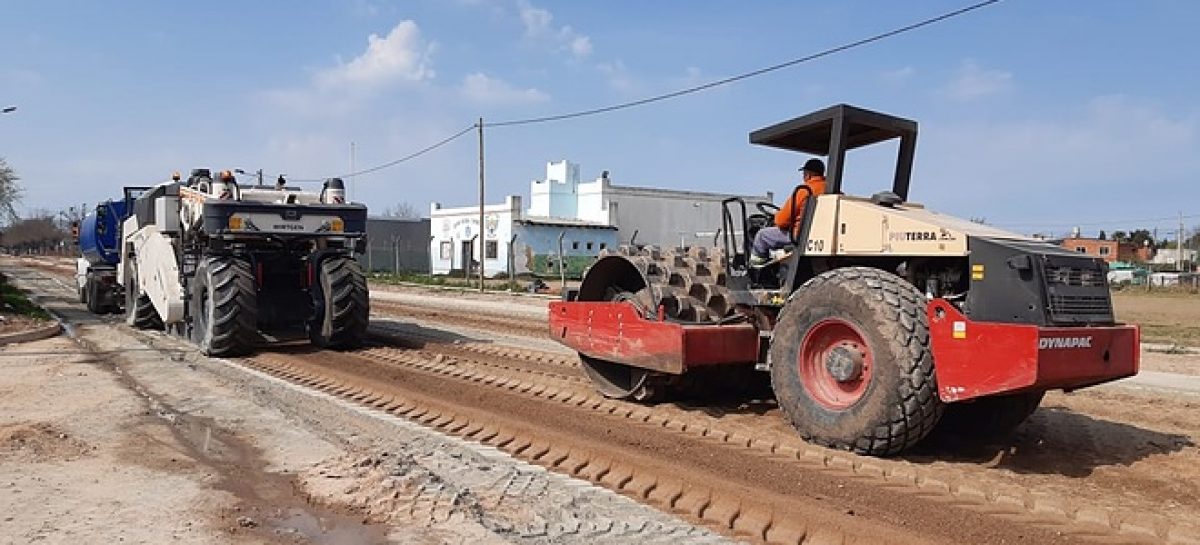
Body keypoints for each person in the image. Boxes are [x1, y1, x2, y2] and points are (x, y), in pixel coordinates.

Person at [750, 158, 827, 266]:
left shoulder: (804, 190)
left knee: (761, 235)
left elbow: (781, 221)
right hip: (821, 235)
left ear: (808, 174)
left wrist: (776, 217)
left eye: (804, 174)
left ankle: (755, 269)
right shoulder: (833, 191)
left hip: (800, 235)